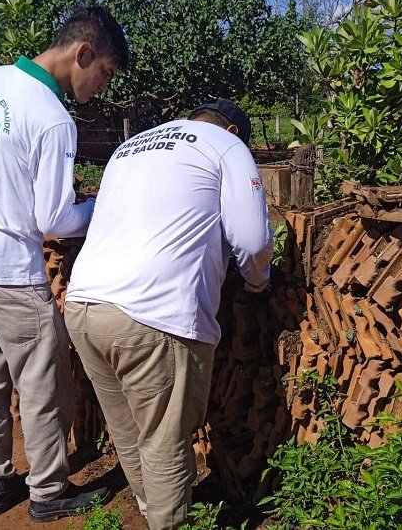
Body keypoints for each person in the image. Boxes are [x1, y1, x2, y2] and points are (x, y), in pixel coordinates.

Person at [0, 4, 129, 523]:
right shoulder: (53, 118)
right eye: (105, 72)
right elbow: (55, 219)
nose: (102, 86)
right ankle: (48, 492)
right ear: (82, 53)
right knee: (44, 388)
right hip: (10, 277)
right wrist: (102, 205)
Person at [64, 99, 273, 530]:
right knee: (164, 439)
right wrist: (257, 282)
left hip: (84, 305)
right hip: (152, 315)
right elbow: (252, 239)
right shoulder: (226, 145)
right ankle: (168, 522)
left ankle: (150, 509)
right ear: (234, 130)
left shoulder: (131, 145)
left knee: (128, 429)